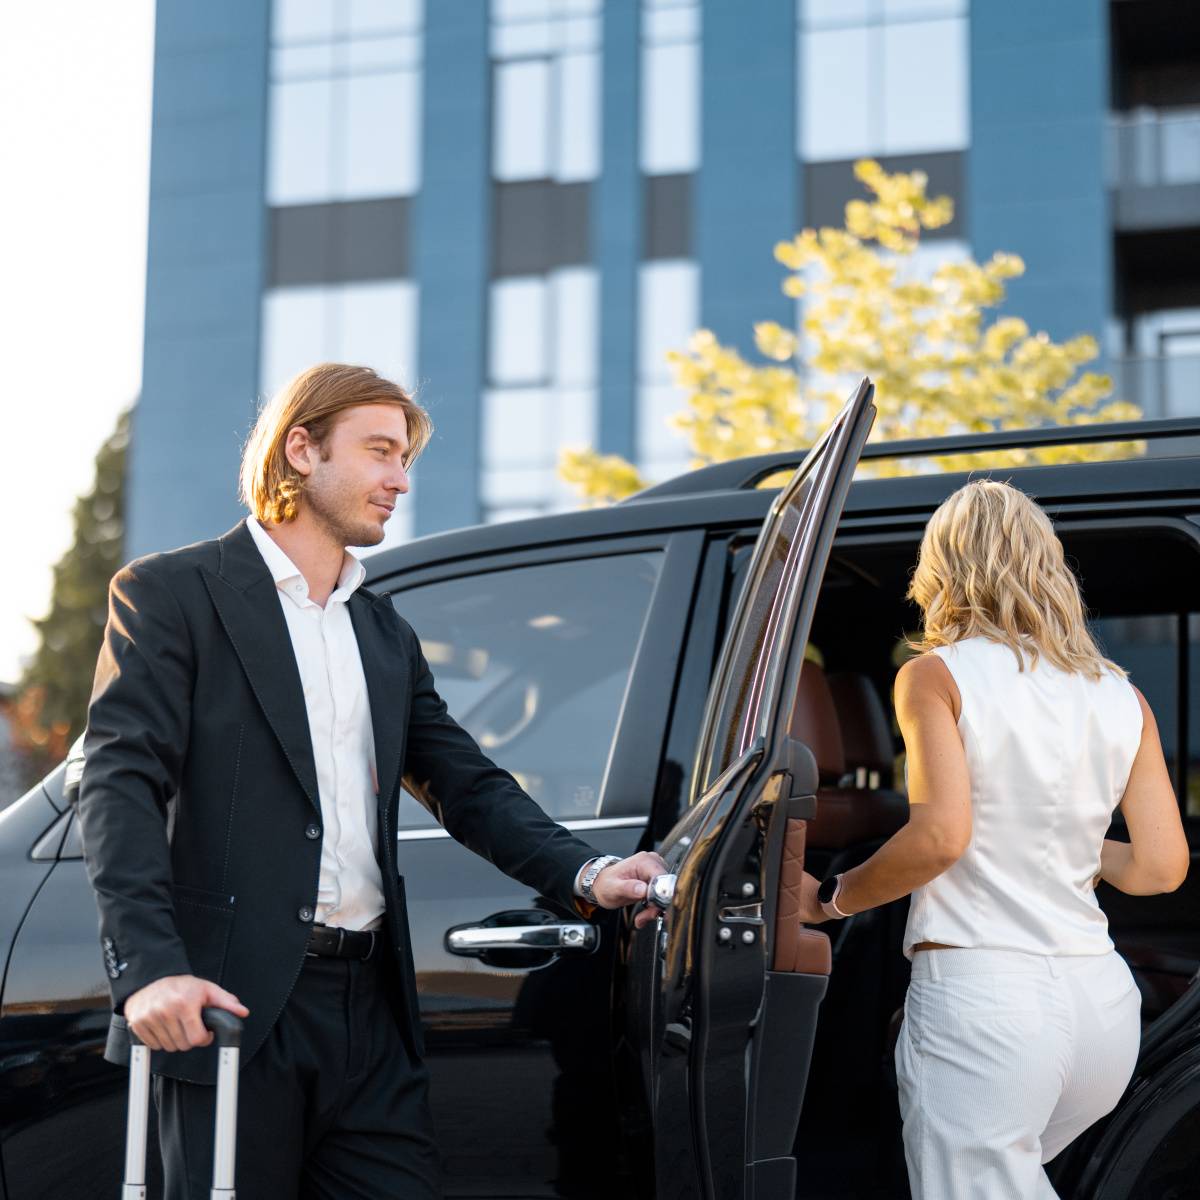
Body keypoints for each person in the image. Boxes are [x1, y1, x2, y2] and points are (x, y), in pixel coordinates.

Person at [78, 363, 666, 1200]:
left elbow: (466, 782)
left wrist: (587, 873)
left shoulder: (382, 630)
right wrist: (148, 969)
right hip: (227, 1006)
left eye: (406, 459)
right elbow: (119, 781)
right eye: (381, 451)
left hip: (370, 1011)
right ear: (302, 449)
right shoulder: (174, 595)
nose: (399, 479)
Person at [796, 479, 1189, 1199]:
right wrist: (1065, 845)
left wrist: (830, 899)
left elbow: (941, 836)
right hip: (1103, 1009)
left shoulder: (933, 677)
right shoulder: (1120, 693)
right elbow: (1161, 867)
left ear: (941, 570)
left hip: (989, 1005)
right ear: (1048, 567)